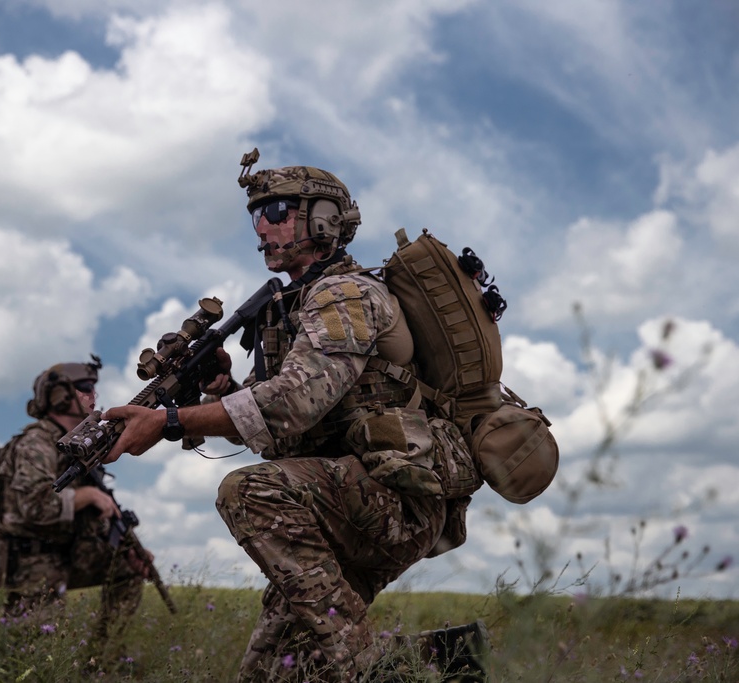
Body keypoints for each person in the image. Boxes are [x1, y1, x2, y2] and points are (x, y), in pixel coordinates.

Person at [102, 154, 489, 682]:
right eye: (257, 214)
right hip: (346, 501)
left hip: (395, 496)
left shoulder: (345, 293)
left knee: (248, 491)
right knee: (275, 671)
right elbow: (285, 434)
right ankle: (443, 665)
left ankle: (372, 665)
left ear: (325, 218)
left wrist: (171, 421)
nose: (262, 226)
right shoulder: (296, 303)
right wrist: (226, 390)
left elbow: (294, 403)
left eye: (279, 210)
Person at [0, 357, 150, 641]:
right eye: (87, 387)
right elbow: (33, 507)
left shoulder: (77, 444)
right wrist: (86, 495)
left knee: (128, 568)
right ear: (61, 396)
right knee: (34, 649)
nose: (95, 395)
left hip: (66, 550)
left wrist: (128, 549)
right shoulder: (36, 443)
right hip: (31, 558)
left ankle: (101, 662)